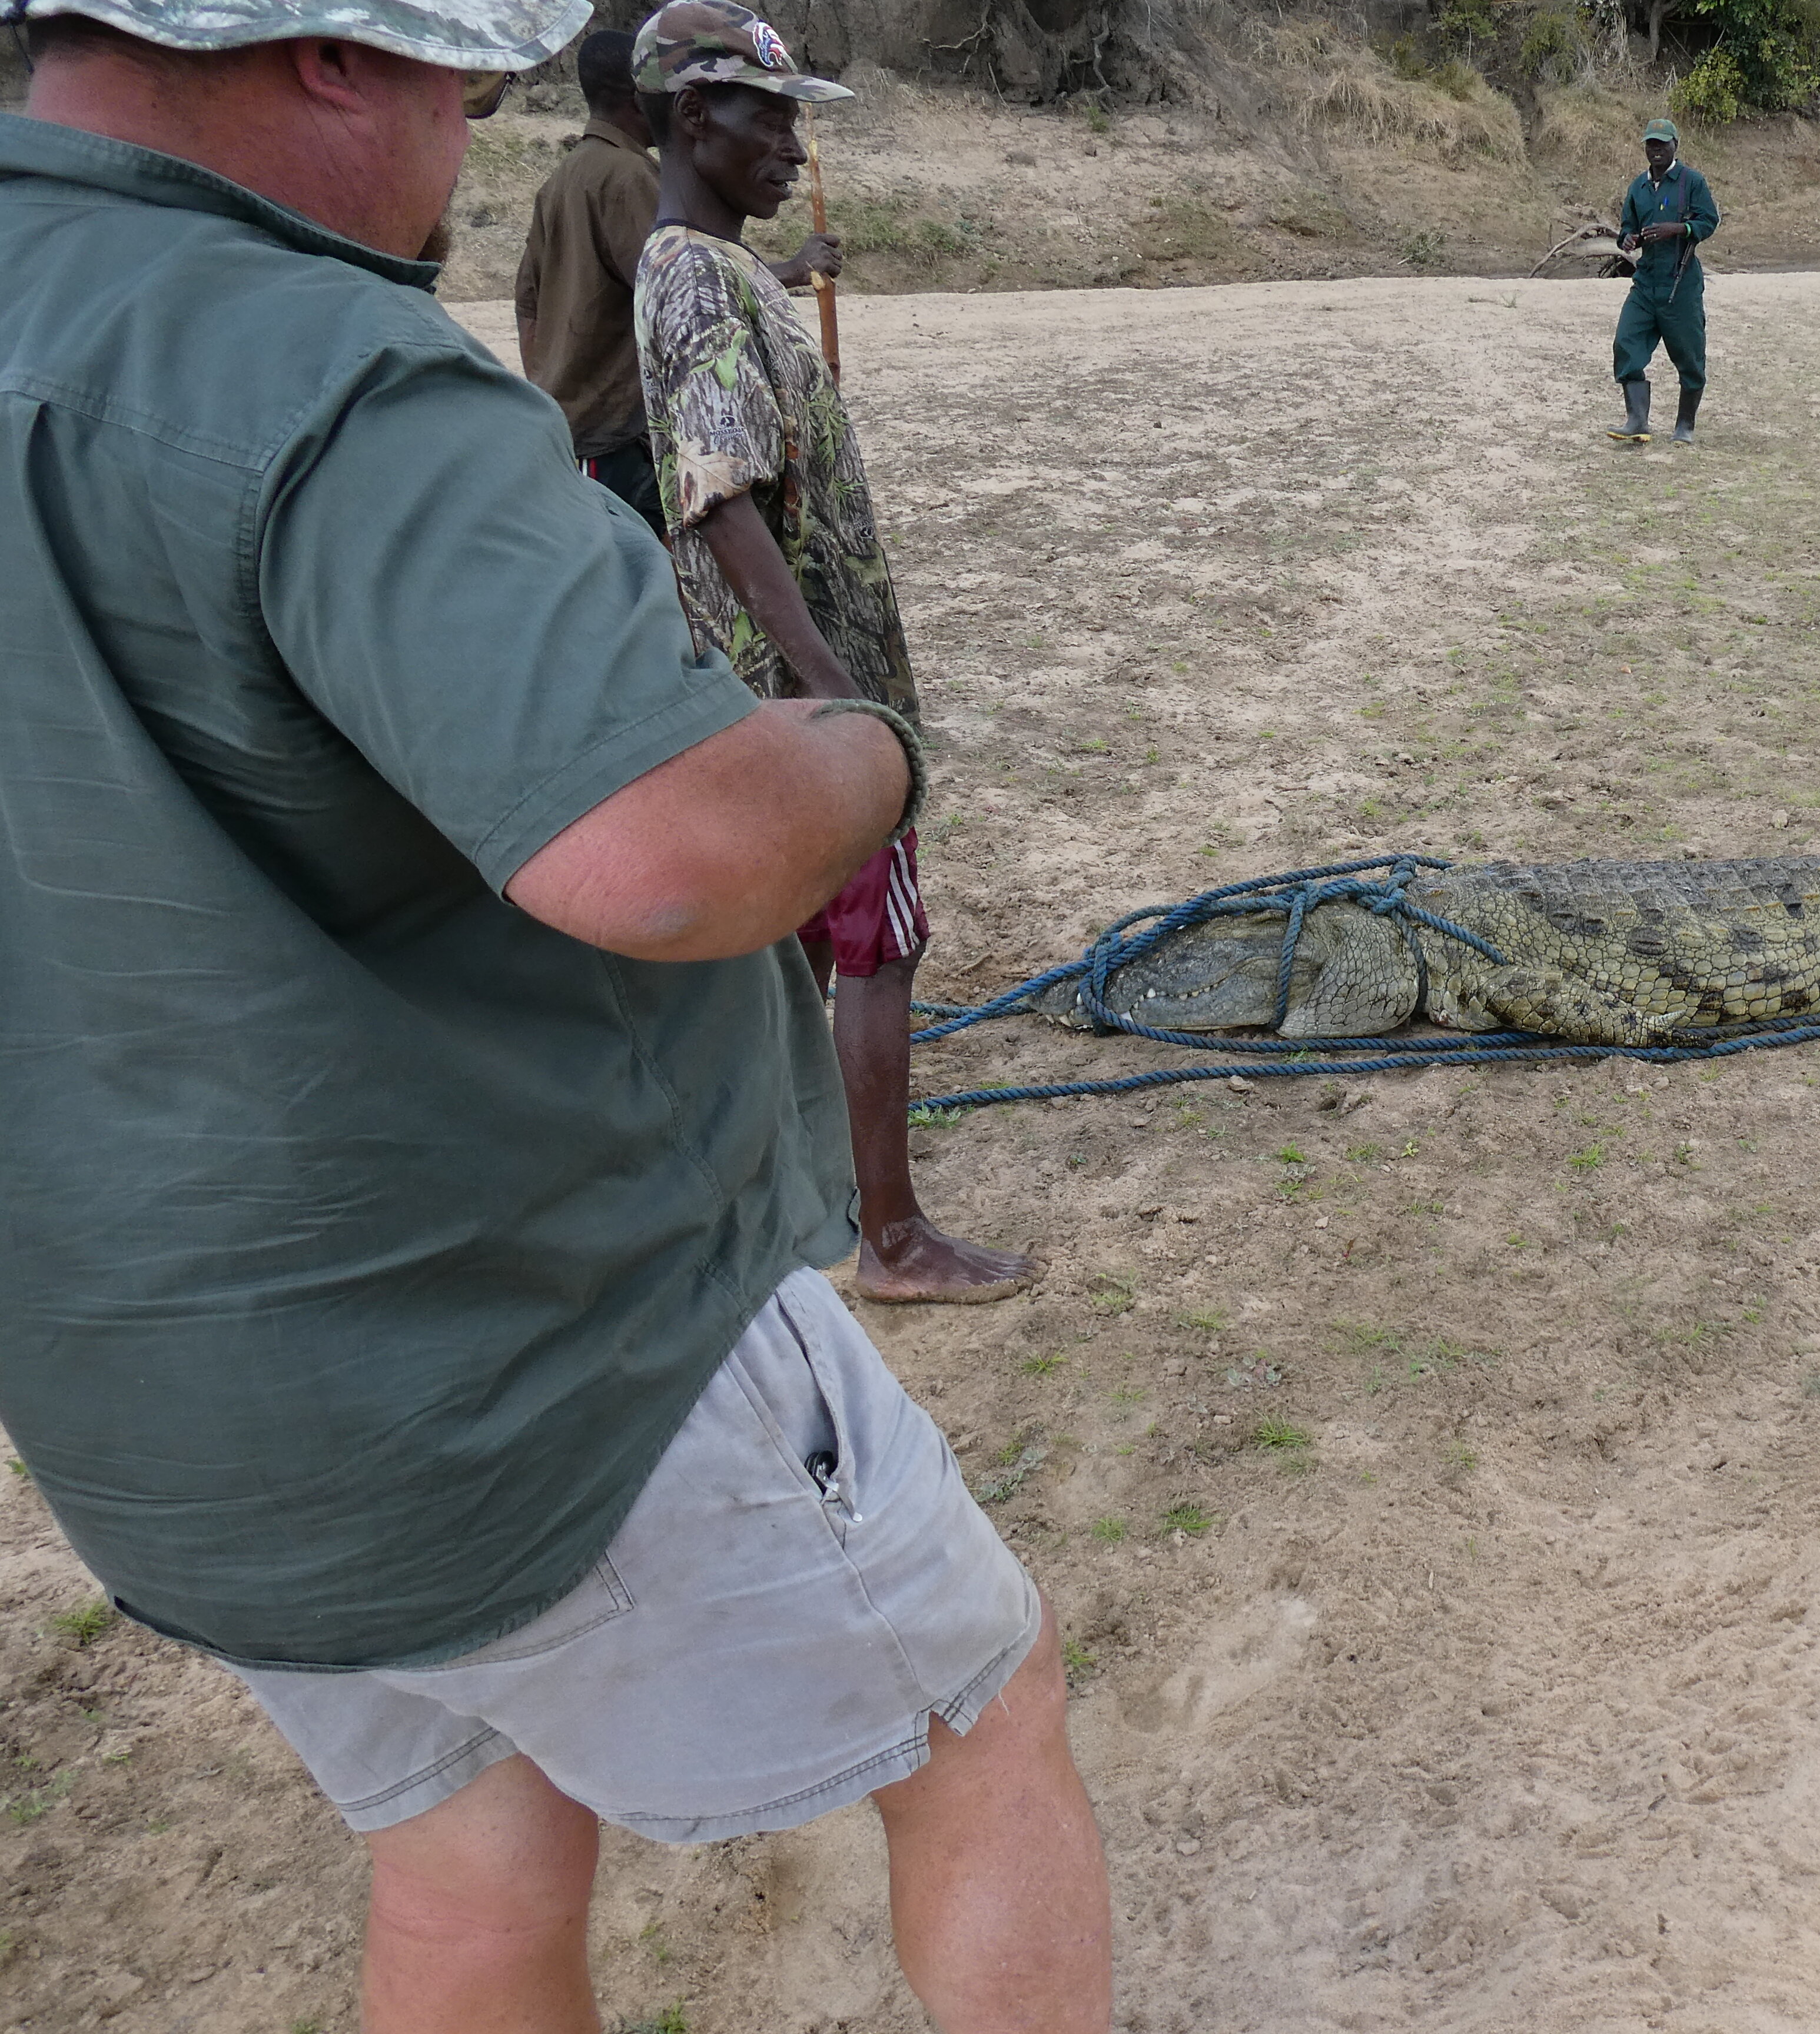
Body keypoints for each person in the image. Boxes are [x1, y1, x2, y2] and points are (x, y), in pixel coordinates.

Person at [0, 5, 1110, 2030]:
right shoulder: (317, 370)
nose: (473, 123)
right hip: (519, 1359)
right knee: (980, 1715)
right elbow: (670, 855)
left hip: (150, 1402)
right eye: (452, 78)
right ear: (331, 58)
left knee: (467, 1847)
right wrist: (855, 743)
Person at [631, 0, 1037, 1305]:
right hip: (802, 708)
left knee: (798, 950)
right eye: (773, 115)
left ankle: (779, 1194)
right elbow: (720, 493)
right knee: (880, 944)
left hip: (781, 697)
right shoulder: (692, 274)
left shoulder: (718, 266)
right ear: (697, 117)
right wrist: (834, 693)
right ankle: (894, 1238)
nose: (795, 144)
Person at [512, 24, 837, 535]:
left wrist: (555, 389)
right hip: (620, 443)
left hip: (575, 434)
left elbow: (527, 306)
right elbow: (680, 283)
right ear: (644, 98)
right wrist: (795, 270)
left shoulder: (563, 178)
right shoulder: (627, 177)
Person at [1609, 115, 1716, 447]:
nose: (1656, 150)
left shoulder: (1691, 182)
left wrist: (1678, 229)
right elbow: (1628, 226)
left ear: (1675, 146)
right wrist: (1628, 240)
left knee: (1689, 355)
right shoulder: (1638, 187)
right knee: (1626, 342)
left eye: (1662, 144)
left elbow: (1708, 221)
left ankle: (1685, 425)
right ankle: (1637, 421)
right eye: (1651, 144)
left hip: (1679, 284)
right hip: (1646, 283)